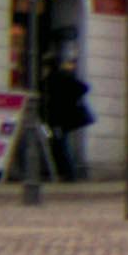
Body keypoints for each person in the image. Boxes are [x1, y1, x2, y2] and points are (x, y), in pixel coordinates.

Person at [32, 53, 93, 185]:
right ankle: (66, 172)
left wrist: (67, 100)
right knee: (59, 142)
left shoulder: (50, 80)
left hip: (56, 119)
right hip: (62, 119)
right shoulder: (63, 77)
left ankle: (66, 172)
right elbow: (83, 88)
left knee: (58, 143)